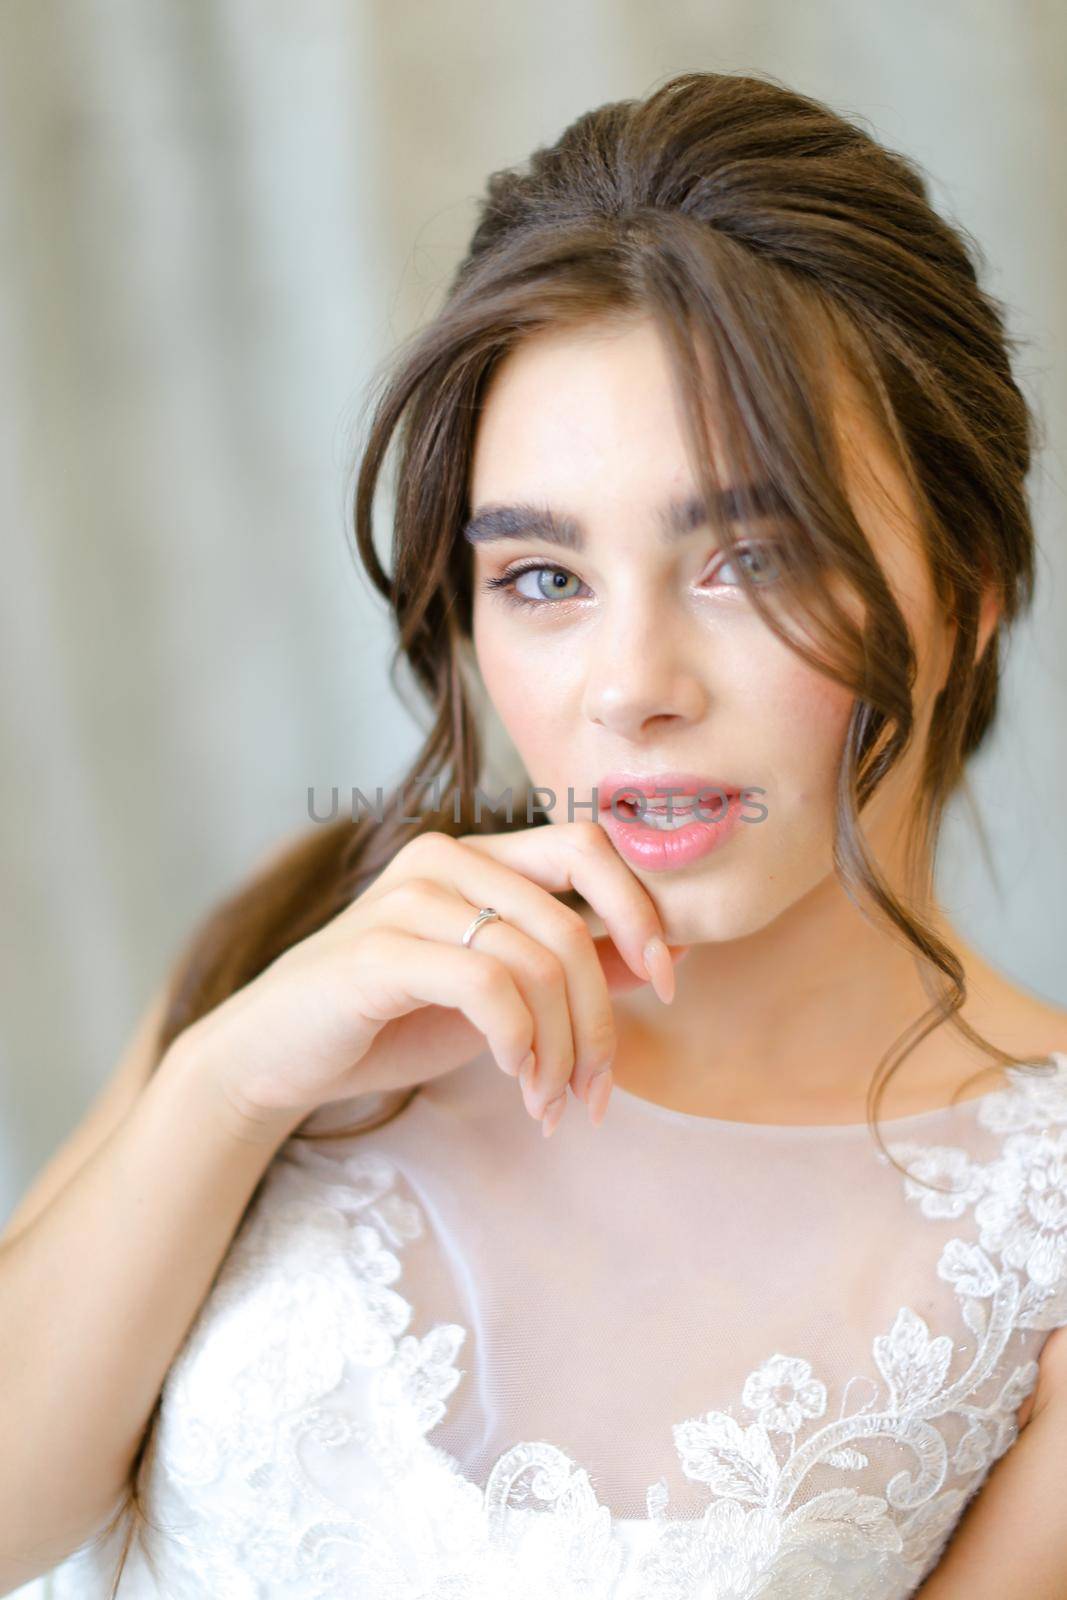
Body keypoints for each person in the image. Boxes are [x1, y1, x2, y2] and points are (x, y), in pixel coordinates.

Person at [3, 67, 1067, 1600]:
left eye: (748, 556)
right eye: (546, 580)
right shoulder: (317, 939)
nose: (633, 690)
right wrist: (226, 1084)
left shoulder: (1043, 1239)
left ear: (961, 596)